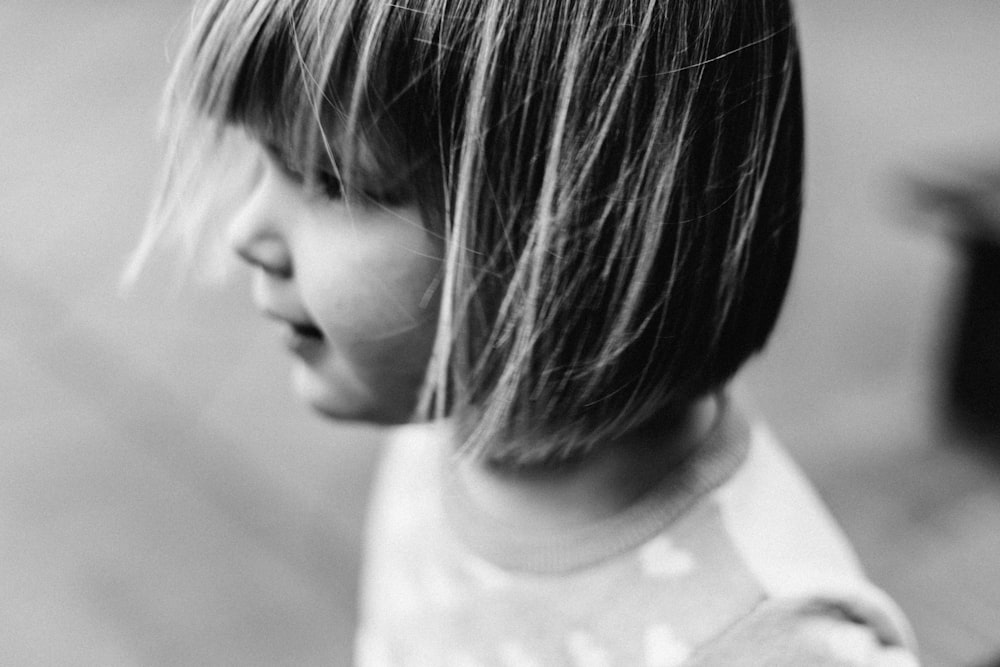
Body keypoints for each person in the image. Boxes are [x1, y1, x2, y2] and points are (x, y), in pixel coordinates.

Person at [130, 0, 920, 663]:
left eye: (336, 179)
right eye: (264, 158)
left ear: (581, 232)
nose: (246, 229)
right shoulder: (449, 415)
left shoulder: (767, 640)